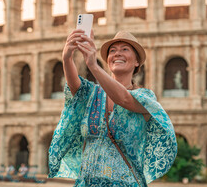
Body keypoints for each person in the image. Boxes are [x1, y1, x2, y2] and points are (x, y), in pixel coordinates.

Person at [48, 30, 177, 186]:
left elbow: (123, 98)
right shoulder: (91, 94)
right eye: (113, 51)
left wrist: (93, 66)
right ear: (108, 61)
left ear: (137, 62)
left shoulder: (145, 98)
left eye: (125, 49)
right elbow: (74, 85)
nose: (117, 54)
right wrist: (67, 57)